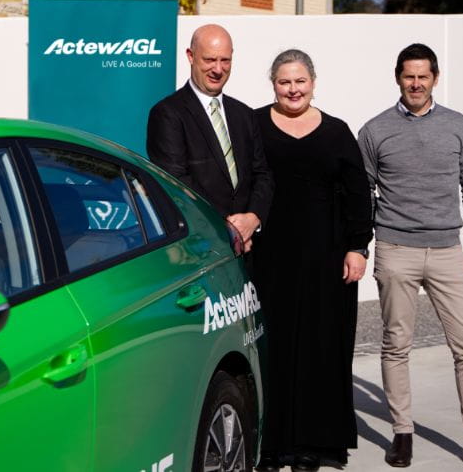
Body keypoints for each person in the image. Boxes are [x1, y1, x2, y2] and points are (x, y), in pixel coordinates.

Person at [358, 43, 463, 471]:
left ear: (435, 78)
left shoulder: (458, 126)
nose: (416, 83)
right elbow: (362, 192)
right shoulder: (374, 130)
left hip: (447, 251)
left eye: (423, 76)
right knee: (396, 344)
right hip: (396, 250)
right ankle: (401, 432)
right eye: (409, 76)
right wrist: (366, 245)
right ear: (398, 79)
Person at [250, 49, 372, 472]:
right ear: (273, 84)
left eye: (300, 81)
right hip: (268, 258)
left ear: (314, 83)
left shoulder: (337, 132)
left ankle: (312, 446)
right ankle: (270, 445)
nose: (293, 89)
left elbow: (359, 195)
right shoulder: (253, 126)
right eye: (285, 82)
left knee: (320, 348)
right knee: (272, 348)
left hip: (327, 258)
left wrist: (358, 247)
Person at [146, 24, 273, 247]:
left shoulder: (244, 114)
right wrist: (230, 231)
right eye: (209, 60)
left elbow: (262, 174)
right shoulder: (168, 113)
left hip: (249, 246)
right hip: (200, 248)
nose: (218, 69)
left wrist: (252, 219)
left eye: (225, 60)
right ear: (190, 56)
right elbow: (177, 183)